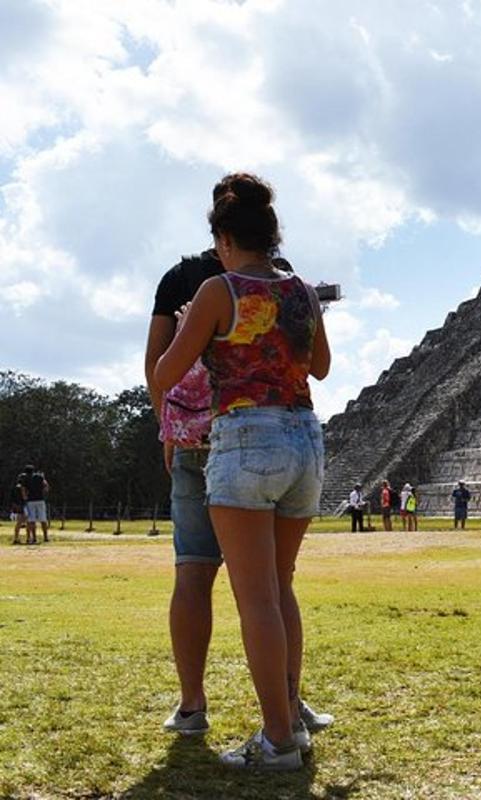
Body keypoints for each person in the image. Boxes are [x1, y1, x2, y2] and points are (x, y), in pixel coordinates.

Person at [144, 175, 332, 744]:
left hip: (244, 439)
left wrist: (199, 339)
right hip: (304, 440)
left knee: (237, 593)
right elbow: (320, 366)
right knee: (281, 588)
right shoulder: (299, 289)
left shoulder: (210, 288)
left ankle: (272, 735)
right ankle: (292, 709)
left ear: (225, 235)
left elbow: (163, 372)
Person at [20, 465, 50, 544]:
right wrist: (43, 493)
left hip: (31, 501)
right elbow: (46, 486)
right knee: (43, 519)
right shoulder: (40, 477)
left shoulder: (25, 478)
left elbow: (23, 489)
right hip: (40, 500)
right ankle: (46, 537)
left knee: (32, 520)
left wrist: (25, 497)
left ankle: (34, 538)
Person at [10, 478, 27, 545]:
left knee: (19, 522)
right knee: (20, 522)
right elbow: (24, 497)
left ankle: (16, 538)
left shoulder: (14, 487)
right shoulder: (21, 487)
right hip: (21, 505)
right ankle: (16, 538)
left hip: (15, 505)